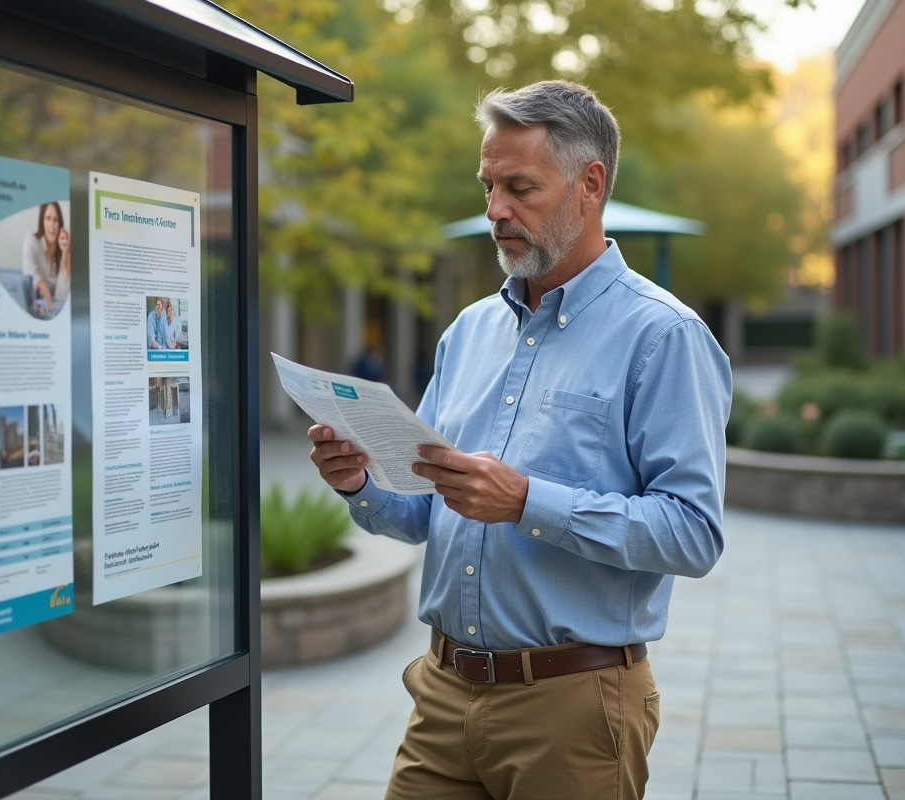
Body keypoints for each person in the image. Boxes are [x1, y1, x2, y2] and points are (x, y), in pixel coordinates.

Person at [308, 81, 731, 800]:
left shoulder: (664, 336)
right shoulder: (468, 331)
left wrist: (527, 501)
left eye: (520, 187)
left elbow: (693, 534)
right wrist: (360, 482)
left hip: (573, 708)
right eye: (488, 185)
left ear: (588, 185)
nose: (496, 210)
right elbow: (421, 511)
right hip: (442, 695)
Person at [22, 201, 70, 315]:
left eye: (56, 220)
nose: (52, 225)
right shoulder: (32, 241)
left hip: (56, 312)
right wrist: (48, 300)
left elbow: (62, 295)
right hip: (39, 310)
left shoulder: (63, 247)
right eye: (48, 218)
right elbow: (31, 273)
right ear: (42, 220)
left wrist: (65, 252)